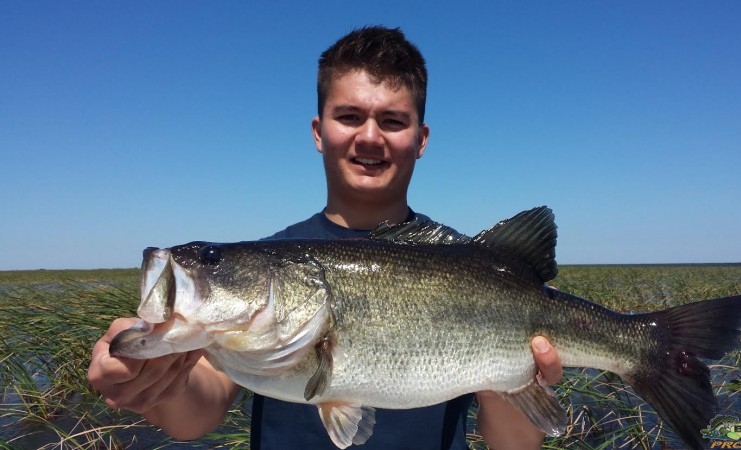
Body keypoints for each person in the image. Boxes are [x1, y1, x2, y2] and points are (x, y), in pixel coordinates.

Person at [88, 26, 563, 449]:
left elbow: (514, 445)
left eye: (393, 121)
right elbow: (198, 414)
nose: (370, 137)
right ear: (319, 132)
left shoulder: (475, 264)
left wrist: (519, 377)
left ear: (421, 138)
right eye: (349, 116)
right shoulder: (273, 257)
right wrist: (157, 386)